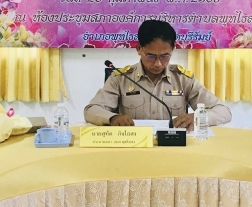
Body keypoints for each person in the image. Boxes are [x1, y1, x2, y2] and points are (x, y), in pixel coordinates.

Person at [84, 20, 231, 129]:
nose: (158, 64)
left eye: (165, 56)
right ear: (139, 49)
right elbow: (91, 110)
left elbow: (224, 112)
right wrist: (113, 118)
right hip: (134, 147)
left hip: (172, 147)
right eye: (151, 56)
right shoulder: (120, 78)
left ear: (173, 49)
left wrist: (197, 117)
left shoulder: (182, 79)